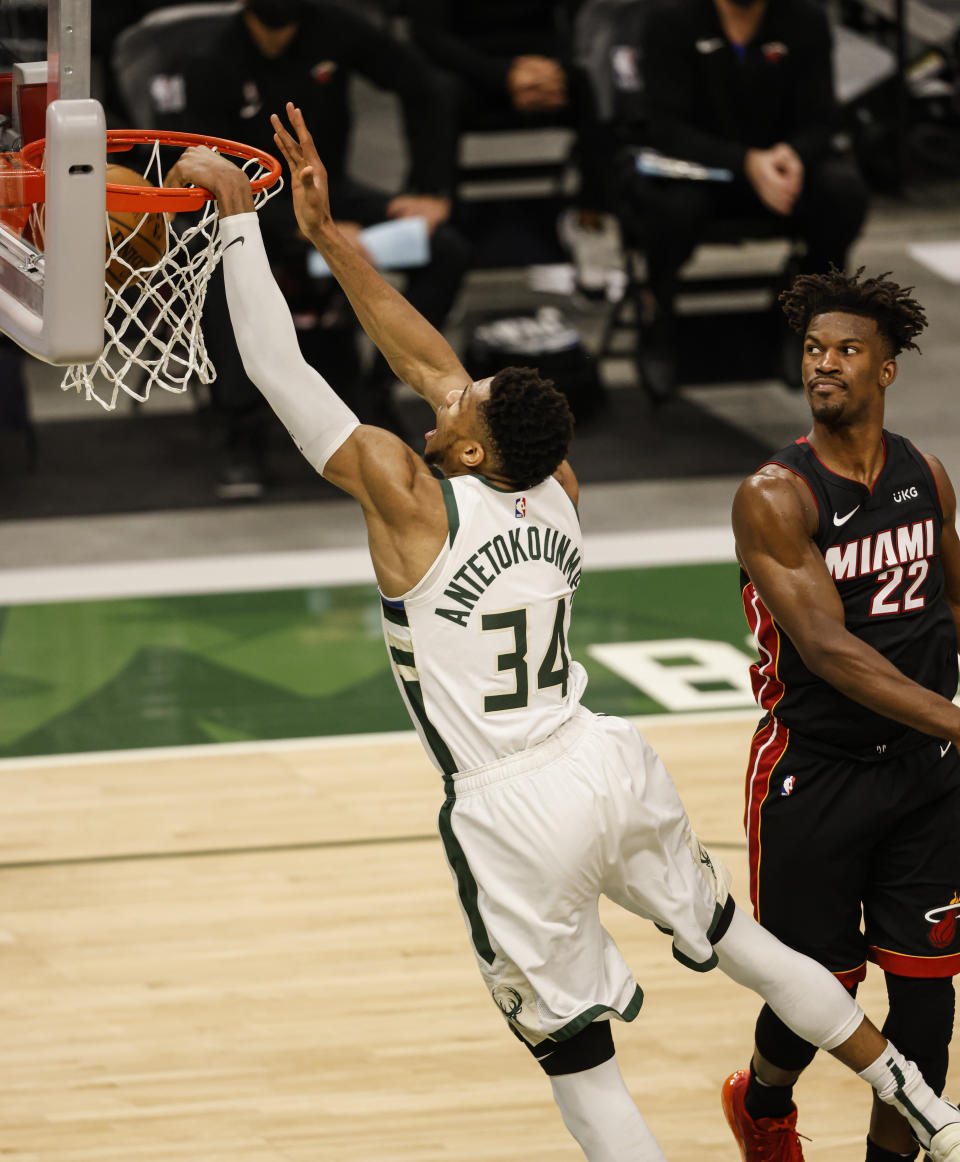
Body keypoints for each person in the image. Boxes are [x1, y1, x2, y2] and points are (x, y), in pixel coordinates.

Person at [165, 108, 960, 1162]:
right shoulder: (554, 483)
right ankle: (926, 1105)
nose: (443, 399)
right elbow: (433, 360)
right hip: (604, 757)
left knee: (579, 1067)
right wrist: (326, 236)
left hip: (512, 803)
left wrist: (234, 223)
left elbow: (281, 373)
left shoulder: (411, 497)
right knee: (751, 949)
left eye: (460, 405)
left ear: (470, 443)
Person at [727, 267, 960, 1162]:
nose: (824, 364)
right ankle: (764, 1101)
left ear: (887, 369)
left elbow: (952, 602)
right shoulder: (774, 494)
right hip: (814, 772)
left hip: (926, 773)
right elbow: (830, 650)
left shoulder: (925, 475)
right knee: (814, 991)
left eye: (847, 350)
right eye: (814, 349)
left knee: (929, 1000)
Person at [154, 0, 470, 496]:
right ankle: (242, 430)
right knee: (212, 273)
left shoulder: (337, 29)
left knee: (444, 248)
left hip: (326, 192)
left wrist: (430, 188)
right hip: (243, 206)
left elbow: (428, 87)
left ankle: (376, 393)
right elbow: (200, 172)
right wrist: (309, 228)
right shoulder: (210, 60)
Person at [622, 0, 869, 398]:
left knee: (842, 192)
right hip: (699, 169)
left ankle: (807, 315)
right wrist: (746, 162)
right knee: (672, 208)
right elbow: (665, 128)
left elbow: (823, 118)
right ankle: (658, 314)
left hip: (779, 172)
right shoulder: (670, 19)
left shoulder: (805, 18)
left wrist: (792, 154)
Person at [405, 0, 615, 281]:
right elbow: (428, 36)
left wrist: (552, 69)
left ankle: (592, 220)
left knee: (591, 85)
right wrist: (503, 75)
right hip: (464, 67)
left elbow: (580, 20)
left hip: (539, 66)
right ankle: (440, 229)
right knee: (435, 95)